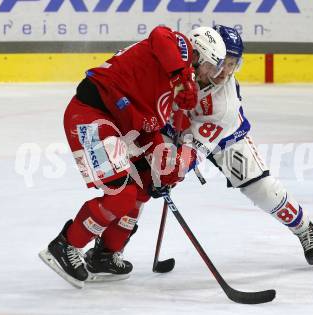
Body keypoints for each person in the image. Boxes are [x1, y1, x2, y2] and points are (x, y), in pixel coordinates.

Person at [39, 26, 227, 286]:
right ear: (198, 55)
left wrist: (166, 165)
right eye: (209, 67)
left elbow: (148, 130)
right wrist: (183, 76)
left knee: (143, 186)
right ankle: (65, 245)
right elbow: (160, 34)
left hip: (119, 128)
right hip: (91, 113)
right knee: (121, 194)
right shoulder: (180, 48)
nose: (211, 75)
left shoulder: (173, 93)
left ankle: (105, 254)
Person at [169, 25, 313, 268]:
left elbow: (196, 148)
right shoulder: (186, 64)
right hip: (182, 129)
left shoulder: (225, 105)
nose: (226, 71)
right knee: (144, 177)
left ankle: (303, 228)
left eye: (233, 64)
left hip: (225, 137)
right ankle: (110, 250)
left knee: (262, 190)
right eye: (224, 62)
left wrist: (174, 167)